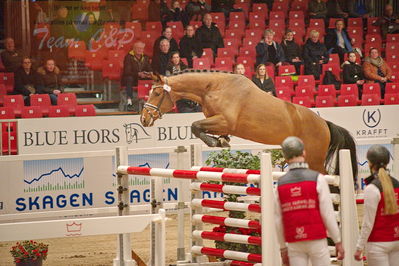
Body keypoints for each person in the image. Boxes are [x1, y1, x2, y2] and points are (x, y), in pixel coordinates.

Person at [275, 136, 345, 266]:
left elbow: (278, 220)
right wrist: (338, 241)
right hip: (316, 238)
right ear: (304, 153)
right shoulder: (318, 178)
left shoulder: (280, 184)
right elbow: (328, 214)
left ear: (285, 157)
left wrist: (283, 248)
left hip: (294, 240)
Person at [354, 145, 399, 266]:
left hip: (377, 244)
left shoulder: (372, 188)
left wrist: (359, 247)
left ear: (370, 164)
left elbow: (368, 223)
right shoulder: (397, 184)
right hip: (396, 241)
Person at [121, 41, 152, 112]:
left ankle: (150, 101)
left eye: (141, 48)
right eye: (138, 48)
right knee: (129, 78)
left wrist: (148, 73)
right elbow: (127, 71)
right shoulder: (128, 57)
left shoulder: (145, 57)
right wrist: (138, 74)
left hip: (142, 77)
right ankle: (129, 100)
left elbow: (149, 68)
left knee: (152, 78)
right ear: (133, 49)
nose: (140, 50)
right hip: (131, 78)